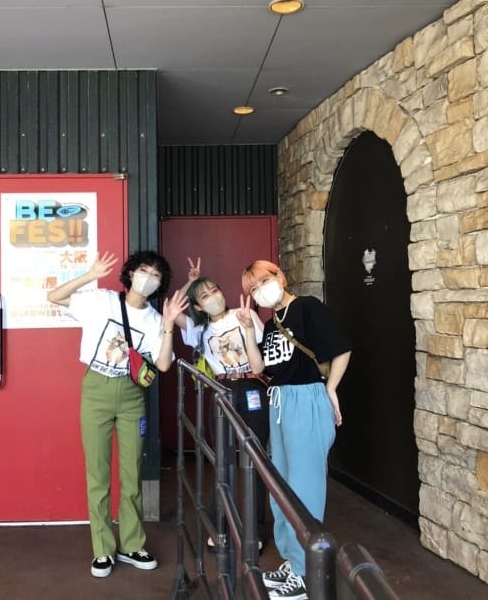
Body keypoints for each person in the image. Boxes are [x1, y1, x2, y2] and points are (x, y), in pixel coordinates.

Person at [47, 250, 188, 579]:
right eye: (143, 270)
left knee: (132, 472)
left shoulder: (154, 319)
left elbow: (163, 365)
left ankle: (133, 544)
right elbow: (54, 296)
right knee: (97, 472)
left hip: (131, 396)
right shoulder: (102, 300)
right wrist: (89, 275)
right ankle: (102, 549)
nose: (148, 277)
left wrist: (168, 325)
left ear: (160, 284)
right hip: (96, 389)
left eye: (155, 275)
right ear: (130, 273)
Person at [241, 260, 351, 600]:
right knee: (282, 488)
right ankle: (293, 563)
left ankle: (306, 575)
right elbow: (259, 367)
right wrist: (247, 331)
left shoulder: (306, 307)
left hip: (306, 398)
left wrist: (330, 388)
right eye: (253, 289)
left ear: (280, 277)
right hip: (280, 402)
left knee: (305, 489)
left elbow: (341, 348)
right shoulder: (270, 323)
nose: (260, 290)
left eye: (263, 281)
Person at [177, 258, 269, 552]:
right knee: (223, 461)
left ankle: (255, 530)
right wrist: (191, 281)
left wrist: (248, 325)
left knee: (255, 459)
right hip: (221, 390)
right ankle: (220, 527)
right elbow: (174, 308)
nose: (213, 297)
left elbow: (262, 359)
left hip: (252, 387)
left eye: (214, 290)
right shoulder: (199, 330)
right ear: (199, 306)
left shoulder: (244, 314)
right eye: (205, 296)